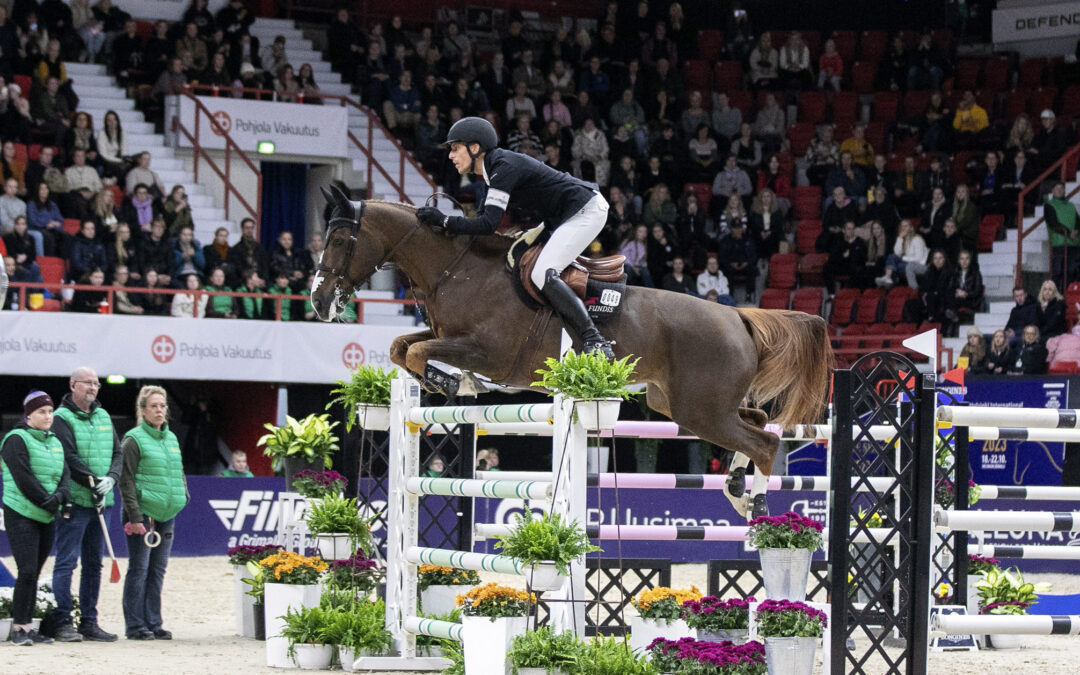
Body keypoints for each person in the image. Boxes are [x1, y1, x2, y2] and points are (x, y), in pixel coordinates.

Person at [415, 116, 615, 358]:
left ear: (475, 148)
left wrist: (445, 221)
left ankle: (594, 340)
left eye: (455, 148)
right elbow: (480, 226)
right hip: (560, 216)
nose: (450, 155)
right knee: (514, 255)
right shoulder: (490, 174)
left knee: (542, 272)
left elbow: (488, 224)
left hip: (585, 210)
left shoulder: (502, 168)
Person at [48, 367, 122, 642]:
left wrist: (112, 479)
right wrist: (93, 480)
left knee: (94, 564)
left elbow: (118, 452)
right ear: (73, 385)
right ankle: (63, 621)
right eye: (88, 383)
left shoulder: (103, 415)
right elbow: (69, 457)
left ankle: (89, 622)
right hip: (77, 502)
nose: (93, 387)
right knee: (67, 563)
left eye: (96, 383)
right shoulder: (61, 418)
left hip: (104, 503)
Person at [120, 385, 188, 641]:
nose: (159, 410)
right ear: (143, 410)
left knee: (158, 569)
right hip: (142, 514)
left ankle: (154, 622)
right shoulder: (133, 440)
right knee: (139, 568)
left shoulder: (171, 438)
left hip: (166, 513)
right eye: (153, 406)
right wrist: (134, 516)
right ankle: (135, 625)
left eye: (162, 406)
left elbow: (177, 470)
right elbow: (125, 481)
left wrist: (183, 493)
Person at [1, 391, 69, 646]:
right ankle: (19, 627)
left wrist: (61, 495)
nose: (48, 416)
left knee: (36, 571)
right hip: (21, 513)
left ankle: (30, 626)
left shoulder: (55, 441)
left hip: (46, 514)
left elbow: (64, 474)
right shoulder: (15, 439)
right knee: (27, 570)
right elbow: (23, 477)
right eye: (42, 411)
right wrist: (47, 500)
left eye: (50, 411)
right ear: (29, 414)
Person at [1046, 181, 1080, 289]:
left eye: (1062, 188)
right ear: (1052, 191)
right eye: (1057, 188)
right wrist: (1070, 233)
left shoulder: (1071, 206)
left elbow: (1078, 221)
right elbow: (1053, 223)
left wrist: (1076, 232)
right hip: (1058, 244)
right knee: (1057, 272)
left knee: (1072, 272)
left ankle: (1067, 297)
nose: (1060, 190)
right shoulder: (1049, 205)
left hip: (1073, 244)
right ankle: (1055, 299)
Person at [878, 219, 928, 288]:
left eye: (906, 226)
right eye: (901, 226)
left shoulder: (917, 239)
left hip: (918, 265)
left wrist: (903, 258)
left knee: (892, 261)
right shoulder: (903, 240)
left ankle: (888, 278)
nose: (903, 228)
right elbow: (897, 252)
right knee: (892, 262)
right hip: (908, 263)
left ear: (911, 228)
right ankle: (889, 282)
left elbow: (918, 259)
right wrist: (900, 238)